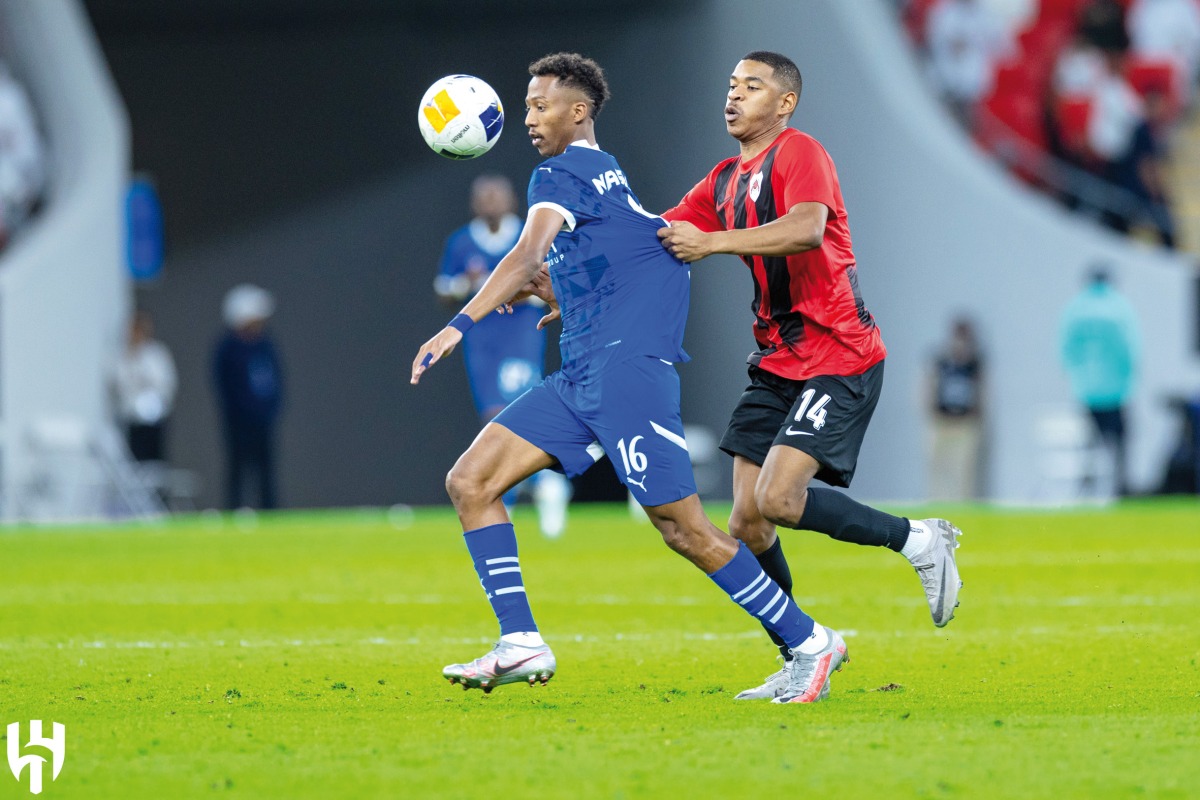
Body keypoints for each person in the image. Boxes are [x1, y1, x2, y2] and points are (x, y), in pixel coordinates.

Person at [411, 52, 844, 704]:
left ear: (578, 111)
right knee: (470, 481)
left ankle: (810, 641)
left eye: (540, 104)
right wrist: (572, 293)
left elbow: (527, 253)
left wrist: (457, 325)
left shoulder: (560, 172)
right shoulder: (602, 174)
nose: (528, 117)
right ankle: (520, 640)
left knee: (685, 530)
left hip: (625, 373)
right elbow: (629, 247)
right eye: (526, 105)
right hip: (582, 371)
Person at [658, 51, 963, 701]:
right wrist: (572, 287)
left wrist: (710, 244)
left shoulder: (800, 153)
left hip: (838, 352)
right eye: (731, 84)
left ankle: (918, 539)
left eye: (753, 86)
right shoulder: (722, 181)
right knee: (746, 522)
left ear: (785, 103)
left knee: (779, 500)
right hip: (776, 363)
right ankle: (801, 651)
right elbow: (659, 236)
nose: (734, 96)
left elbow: (806, 228)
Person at [434, 173, 572, 537]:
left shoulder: (527, 236)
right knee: (492, 415)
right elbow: (444, 291)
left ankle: (524, 490)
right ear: (474, 203)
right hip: (481, 338)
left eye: (498, 196)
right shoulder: (461, 243)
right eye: (485, 197)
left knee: (510, 414)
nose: (491, 203)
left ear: (511, 200)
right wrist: (467, 286)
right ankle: (535, 486)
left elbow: (549, 281)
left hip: (520, 334)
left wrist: (515, 293)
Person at [1059, 266, 1140, 496]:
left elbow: (1065, 349)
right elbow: (1131, 348)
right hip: (1116, 390)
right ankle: (1120, 487)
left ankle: (1086, 489)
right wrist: (1129, 381)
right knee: (1119, 444)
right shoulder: (1119, 306)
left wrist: (1077, 377)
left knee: (1088, 446)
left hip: (1086, 390)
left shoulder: (1076, 308)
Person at [214, 284, 284, 510]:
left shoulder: (265, 345)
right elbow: (227, 388)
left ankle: (269, 512)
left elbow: (275, 380)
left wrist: (271, 409)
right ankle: (234, 510)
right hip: (239, 422)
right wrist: (241, 412)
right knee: (238, 469)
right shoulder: (229, 349)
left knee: (266, 470)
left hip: (263, 420)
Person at [927, 317, 986, 500]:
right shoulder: (941, 361)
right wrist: (932, 413)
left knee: (964, 471)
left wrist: (977, 416)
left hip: (965, 423)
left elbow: (982, 391)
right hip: (942, 422)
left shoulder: (974, 364)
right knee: (937, 468)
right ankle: (936, 503)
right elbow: (928, 387)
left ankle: (963, 503)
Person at [113, 310, 178, 463]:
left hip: (154, 420)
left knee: (155, 463)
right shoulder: (123, 357)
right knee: (134, 462)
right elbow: (119, 383)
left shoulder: (156, 355)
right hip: (131, 420)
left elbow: (165, 384)